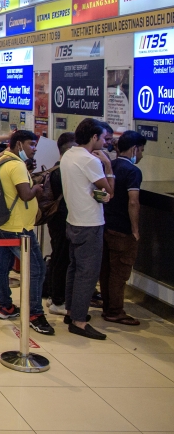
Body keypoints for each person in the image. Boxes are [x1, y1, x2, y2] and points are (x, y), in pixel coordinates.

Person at [0, 130, 54, 335]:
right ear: (19, 144)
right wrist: (37, 188)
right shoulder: (16, 165)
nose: (33, 149)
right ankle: (35, 313)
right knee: (36, 269)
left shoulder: (3, 161)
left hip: (4, 222)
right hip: (18, 227)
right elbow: (25, 194)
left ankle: (5, 306)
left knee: (3, 266)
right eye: (31, 144)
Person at [60, 118, 114, 340]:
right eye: (103, 138)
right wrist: (108, 165)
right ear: (94, 137)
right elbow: (109, 191)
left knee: (74, 269)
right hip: (90, 223)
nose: (105, 142)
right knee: (87, 273)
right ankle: (79, 322)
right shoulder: (91, 161)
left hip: (73, 220)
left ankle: (72, 311)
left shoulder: (68, 155)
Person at [100, 130, 146, 325]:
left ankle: (108, 305)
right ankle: (115, 310)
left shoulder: (111, 165)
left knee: (107, 270)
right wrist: (135, 229)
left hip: (106, 225)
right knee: (120, 272)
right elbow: (133, 202)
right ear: (134, 148)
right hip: (123, 229)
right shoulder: (133, 171)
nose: (142, 154)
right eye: (142, 150)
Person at [45, 132, 75, 315]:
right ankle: (58, 299)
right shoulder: (64, 170)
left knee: (57, 255)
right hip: (62, 218)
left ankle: (53, 295)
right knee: (62, 258)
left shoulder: (56, 168)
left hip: (55, 218)